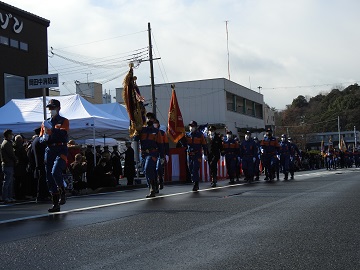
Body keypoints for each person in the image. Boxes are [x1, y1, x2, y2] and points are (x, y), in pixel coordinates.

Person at [39, 99, 69, 212]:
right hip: (49, 149)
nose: (51, 110)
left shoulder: (64, 121)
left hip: (60, 148)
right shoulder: (45, 122)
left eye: (53, 108)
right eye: (50, 108)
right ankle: (56, 204)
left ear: (58, 108)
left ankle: (62, 191)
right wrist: (43, 138)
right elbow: (40, 137)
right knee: (49, 177)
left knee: (55, 171)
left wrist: (51, 129)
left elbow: (63, 134)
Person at [135, 112, 164, 197]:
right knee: (146, 171)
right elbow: (135, 139)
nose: (149, 119)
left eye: (151, 118)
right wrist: (136, 130)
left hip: (153, 153)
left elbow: (161, 145)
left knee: (148, 168)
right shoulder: (142, 130)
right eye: (147, 118)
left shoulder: (156, 131)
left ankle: (152, 188)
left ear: (154, 120)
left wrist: (162, 156)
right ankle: (153, 186)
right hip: (143, 154)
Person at [180, 120, 207, 191]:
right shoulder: (187, 135)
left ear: (196, 127)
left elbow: (204, 145)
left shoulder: (200, 135)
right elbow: (184, 144)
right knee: (191, 169)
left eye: (192, 126)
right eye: (190, 126)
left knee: (195, 169)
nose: (191, 128)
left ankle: (196, 184)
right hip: (189, 155)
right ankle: (195, 180)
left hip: (197, 155)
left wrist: (205, 154)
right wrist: (181, 138)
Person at [31, 126, 49, 201]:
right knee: (43, 179)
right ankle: (42, 195)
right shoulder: (40, 141)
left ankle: (41, 195)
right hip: (42, 161)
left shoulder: (34, 141)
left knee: (41, 179)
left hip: (37, 162)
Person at [0, 129, 17, 203]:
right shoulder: (6, 143)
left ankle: (9, 196)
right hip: (7, 164)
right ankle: (5, 197)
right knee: (7, 181)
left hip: (8, 164)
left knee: (9, 181)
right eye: (11, 134)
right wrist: (16, 159)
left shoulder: (6, 142)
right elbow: (11, 154)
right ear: (8, 135)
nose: (12, 135)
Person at [153, 119, 169, 192]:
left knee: (158, 168)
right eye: (153, 123)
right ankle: (155, 185)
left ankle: (160, 180)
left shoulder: (162, 133)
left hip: (160, 153)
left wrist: (167, 154)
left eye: (155, 123)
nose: (154, 124)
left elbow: (166, 145)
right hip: (152, 153)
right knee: (153, 170)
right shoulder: (150, 133)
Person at [13, 134, 29, 200]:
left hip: (16, 167)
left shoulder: (13, 147)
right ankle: (22, 195)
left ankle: (17, 195)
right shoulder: (21, 147)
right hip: (21, 167)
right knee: (22, 182)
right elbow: (24, 157)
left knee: (17, 182)